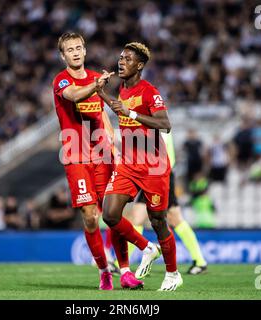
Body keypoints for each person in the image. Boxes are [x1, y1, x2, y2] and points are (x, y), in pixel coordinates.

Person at [99, 42, 183, 291]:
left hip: (153, 166)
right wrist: (101, 93)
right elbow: (120, 109)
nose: (121, 62)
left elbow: (165, 124)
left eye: (127, 59)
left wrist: (131, 113)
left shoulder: (149, 91)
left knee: (158, 221)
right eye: (120, 57)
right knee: (110, 214)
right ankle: (147, 248)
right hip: (128, 163)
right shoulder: (123, 89)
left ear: (140, 65)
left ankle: (173, 273)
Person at [52, 32, 116, 290]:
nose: (76, 52)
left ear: (85, 51)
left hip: (101, 154)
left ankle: (124, 267)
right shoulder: (61, 81)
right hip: (76, 156)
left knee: (112, 214)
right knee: (90, 216)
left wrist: (113, 144)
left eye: (79, 48)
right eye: (70, 49)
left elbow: (103, 114)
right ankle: (103, 270)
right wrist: (97, 85)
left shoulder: (94, 79)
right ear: (63, 55)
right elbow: (75, 95)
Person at [125, 131, 208, 275]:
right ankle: (200, 261)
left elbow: (157, 151)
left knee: (138, 219)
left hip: (159, 174)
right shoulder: (157, 121)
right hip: (158, 173)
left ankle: (121, 263)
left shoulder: (156, 123)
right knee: (174, 218)